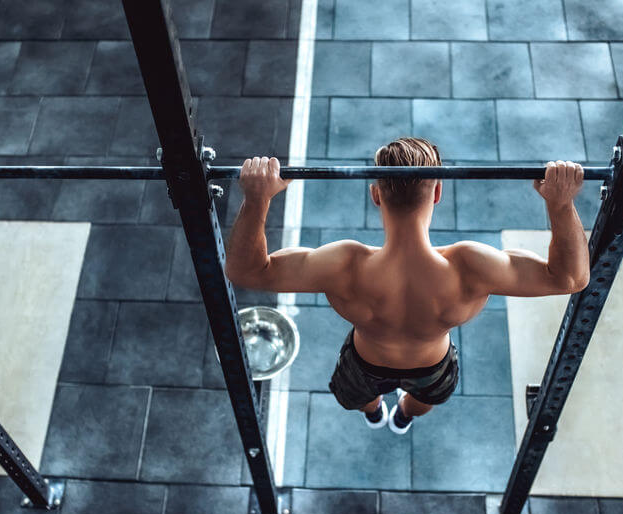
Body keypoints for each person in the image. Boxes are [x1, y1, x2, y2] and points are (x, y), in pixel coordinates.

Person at [224, 137, 590, 434]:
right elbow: (570, 279)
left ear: (376, 195)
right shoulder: (470, 267)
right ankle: (403, 414)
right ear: (437, 194)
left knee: (359, 395)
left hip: (364, 361)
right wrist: (560, 205)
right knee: (425, 398)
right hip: (432, 364)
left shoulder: (343, 265)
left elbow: (247, 272)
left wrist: (257, 199)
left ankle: (381, 412)